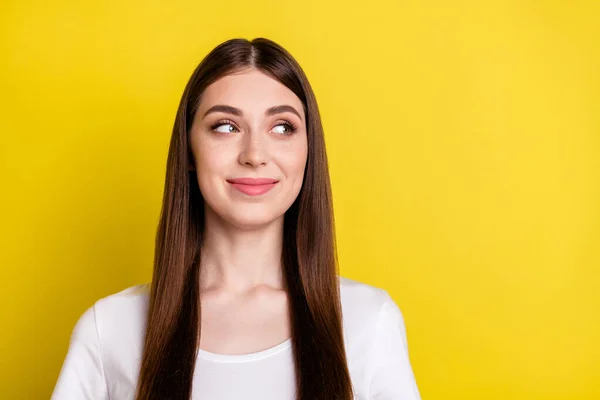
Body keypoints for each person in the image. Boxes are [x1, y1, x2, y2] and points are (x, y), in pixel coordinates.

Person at [50, 37, 421, 400]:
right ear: (189, 151)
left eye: (282, 127)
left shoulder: (368, 322)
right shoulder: (111, 328)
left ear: (309, 151)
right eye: (226, 126)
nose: (255, 154)